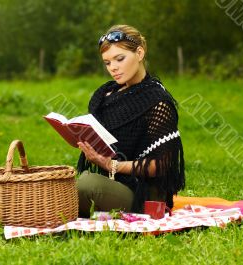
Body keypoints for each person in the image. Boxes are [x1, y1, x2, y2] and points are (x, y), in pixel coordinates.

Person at [76, 24, 185, 217]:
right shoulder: (106, 95)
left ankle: (55, 210)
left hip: (142, 195)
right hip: (110, 182)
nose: (113, 68)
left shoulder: (157, 102)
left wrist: (112, 165)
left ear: (140, 53)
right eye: (108, 63)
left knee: (84, 184)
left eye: (120, 59)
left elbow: (162, 165)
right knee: (63, 183)